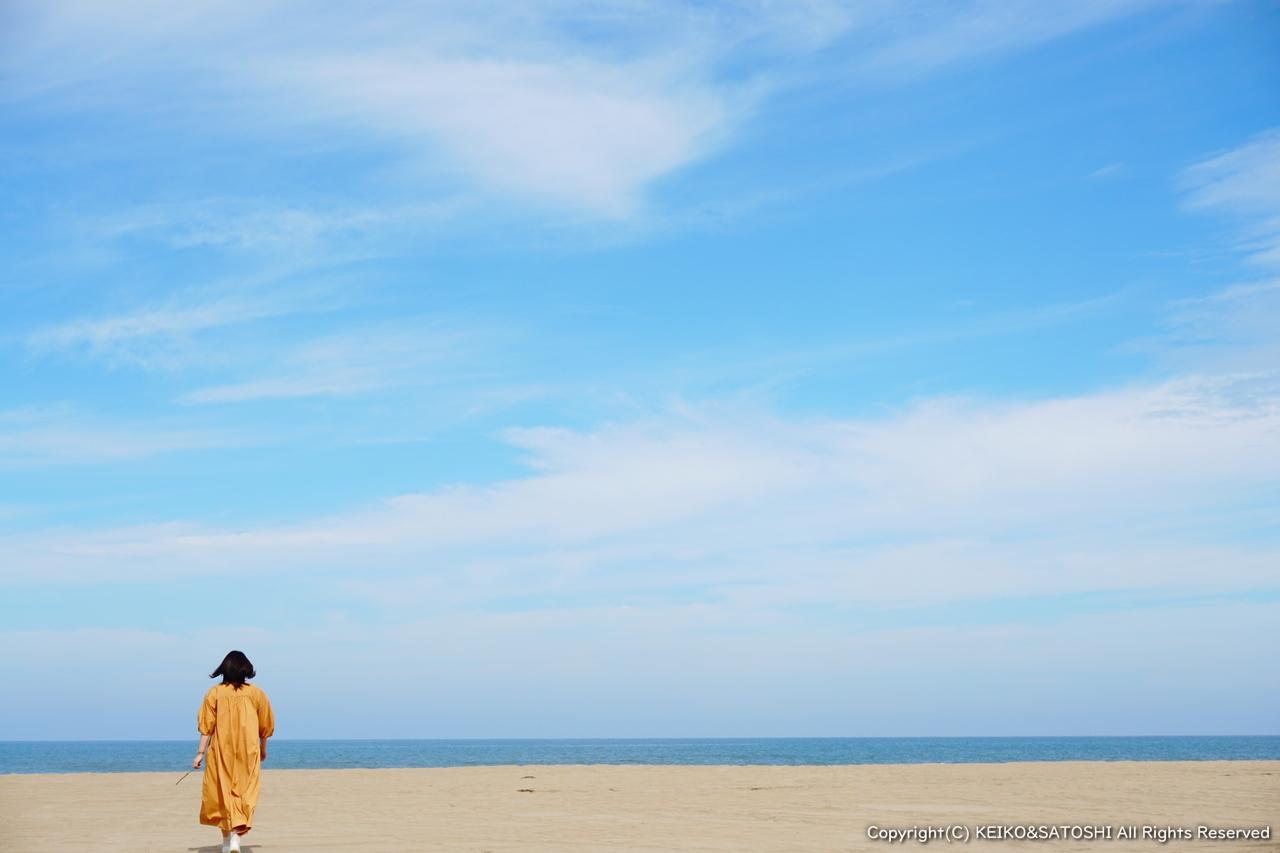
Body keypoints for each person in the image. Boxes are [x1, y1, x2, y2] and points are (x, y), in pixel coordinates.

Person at [193, 650, 276, 853]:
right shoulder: (256, 693)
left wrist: (200, 754)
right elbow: (265, 727)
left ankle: (225, 842)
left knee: (221, 793)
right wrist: (263, 749)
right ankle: (236, 839)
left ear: (224, 669)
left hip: (222, 751)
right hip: (248, 750)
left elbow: (207, 727)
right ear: (245, 669)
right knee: (244, 793)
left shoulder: (214, 693)